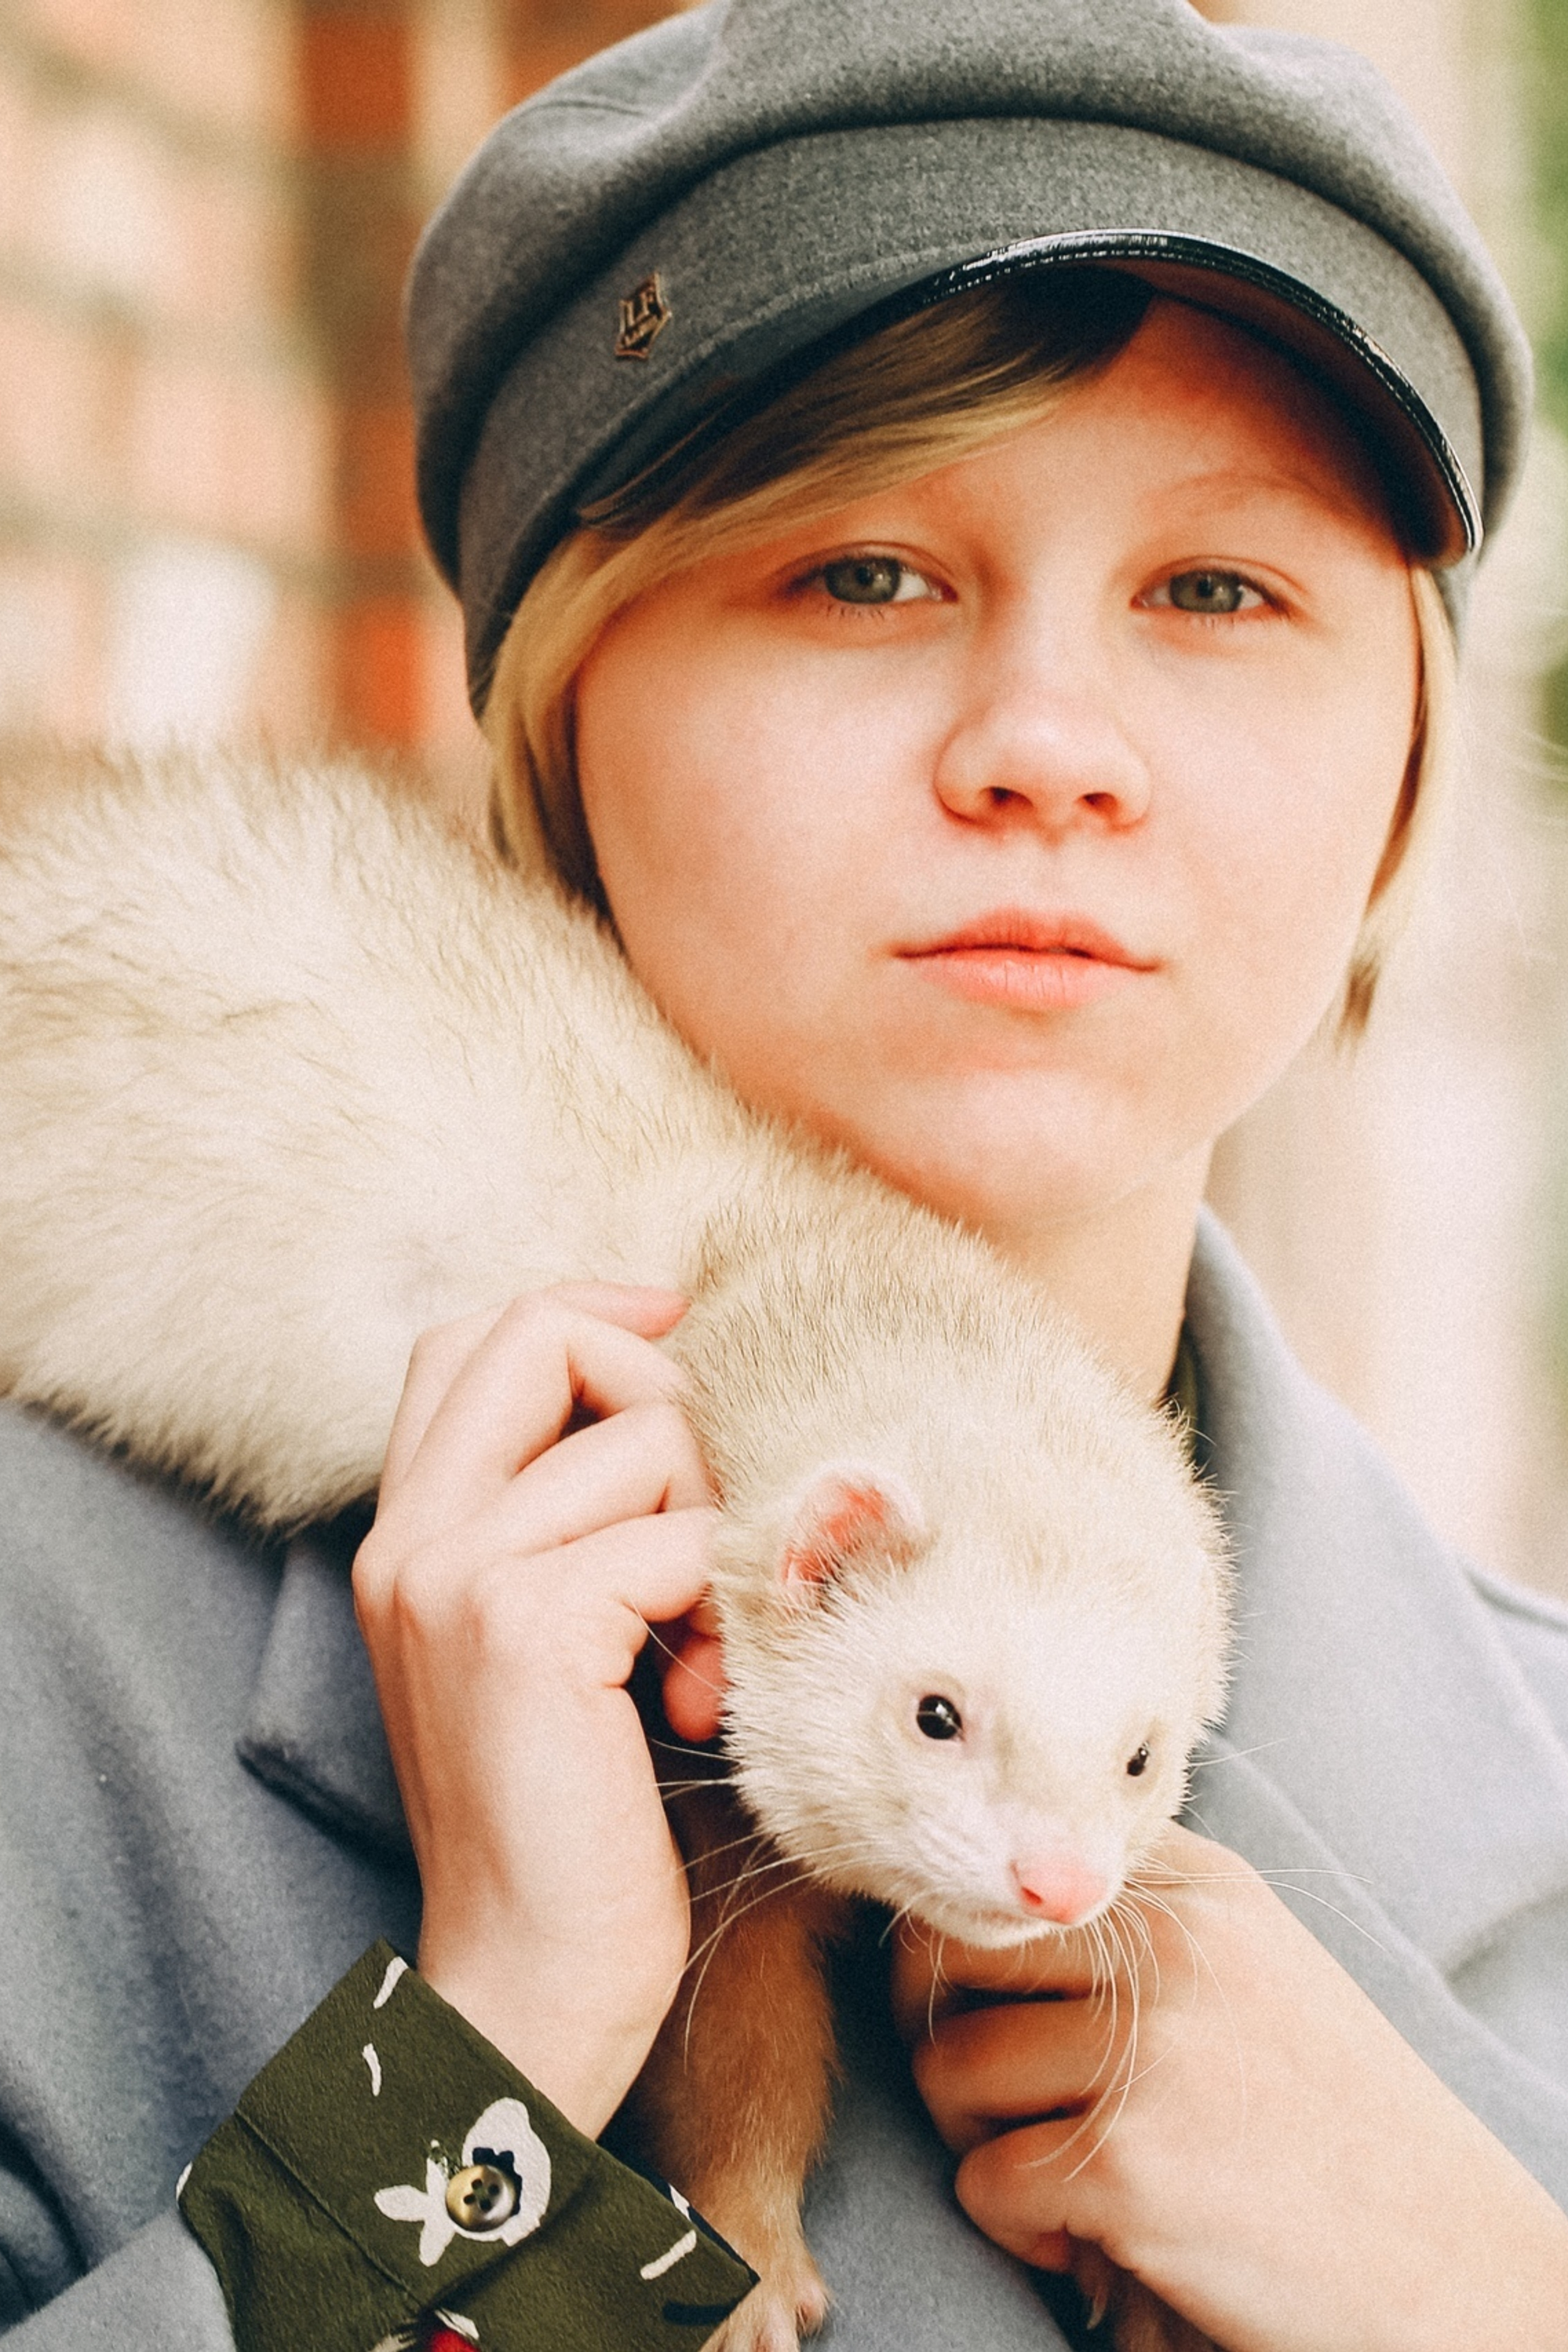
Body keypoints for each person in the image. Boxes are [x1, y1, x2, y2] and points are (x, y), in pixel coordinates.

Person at [2, 0, 1567, 2346]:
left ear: (1404, 790)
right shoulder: (44, 1682)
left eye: (1221, 592)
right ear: (560, 714)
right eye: (862, 573)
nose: (1048, 745)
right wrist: (470, 2081)